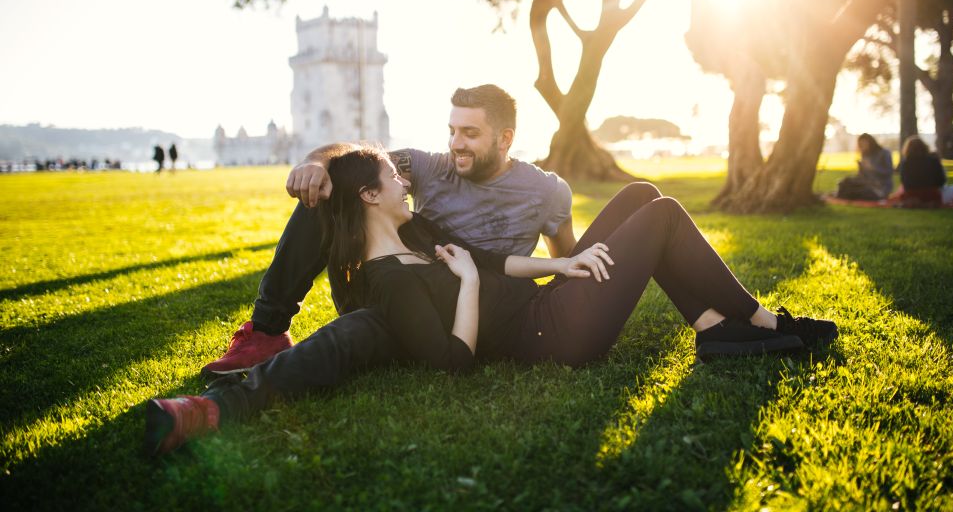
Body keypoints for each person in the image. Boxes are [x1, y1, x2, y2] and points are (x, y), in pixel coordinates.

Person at [144, 147, 838, 456]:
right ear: (369, 195)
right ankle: (760, 319)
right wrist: (473, 290)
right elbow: (452, 362)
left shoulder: (416, 229)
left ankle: (715, 323)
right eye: (393, 175)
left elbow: (486, 258)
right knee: (662, 215)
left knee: (639, 199)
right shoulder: (384, 290)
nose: (405, 177)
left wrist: (562, 261)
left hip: (544, 297)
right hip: (553, 335)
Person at [201, 85, 578, 378]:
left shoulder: (547, 191)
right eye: (452, 131)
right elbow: (360, 162)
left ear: (505, 138)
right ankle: (267, 331)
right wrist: (318, 162)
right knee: (329, 186)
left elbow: (567, 257)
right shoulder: (429, 167)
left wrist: (564, 291)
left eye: (469, 133)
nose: (455, 143)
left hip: (477, 307)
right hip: (401, 292)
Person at [835, 133, 894, 201]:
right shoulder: (865, 154)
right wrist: (861, 168)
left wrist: (872, 167)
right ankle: (843, 195)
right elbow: (862, 176)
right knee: (845, 182)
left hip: (880, 187)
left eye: (864, 143)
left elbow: (889, 172)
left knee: (859, 192)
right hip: (866, 184)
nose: (862, 146)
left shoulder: (884, 153)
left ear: (871, 142)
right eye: (861, 144)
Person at [895, 136, 947, 207]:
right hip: (932, 194)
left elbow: (904, 182)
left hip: (911, 194)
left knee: (900, 190)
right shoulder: (934, 160)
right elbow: (941, 181)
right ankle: (927, 203)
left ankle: (916, 202)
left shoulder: (906, 162)